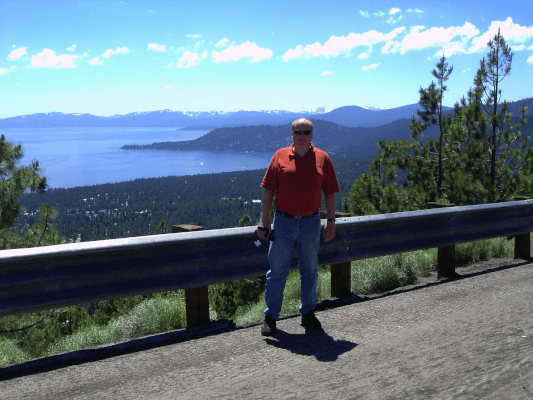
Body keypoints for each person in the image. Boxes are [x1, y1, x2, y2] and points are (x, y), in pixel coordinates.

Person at [257, 117, 340, 336]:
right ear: (291, 134)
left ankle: (308, 313)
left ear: (312, 134)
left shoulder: (322, 158)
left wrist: (330, 221)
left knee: (310, 270)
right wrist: (264, 219)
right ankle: (271, 317)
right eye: (297, 131)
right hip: (283, 221)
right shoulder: (280, 156)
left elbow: (330, 192)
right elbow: (268, 191)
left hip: (311, 222)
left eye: (306, 131)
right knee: (277, 271)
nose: (302, 136)